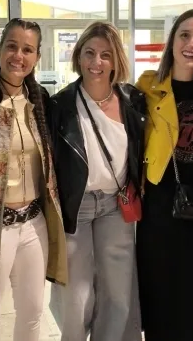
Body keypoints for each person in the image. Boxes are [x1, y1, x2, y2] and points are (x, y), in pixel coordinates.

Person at [0, 18, 67, 341]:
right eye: (12, 46)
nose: (18, 56)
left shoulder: (40, 100)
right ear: (0, 49)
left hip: (33, 223)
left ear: (37, 57)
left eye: (27, 50)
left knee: (33, 312)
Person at [49, 21, 144, 341]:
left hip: (116, 206)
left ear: (116, 60)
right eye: (89, 53)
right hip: (76, 207)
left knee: (118, 294)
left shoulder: (132, 100)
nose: (96, 62)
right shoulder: (61, 104)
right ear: (78, 57)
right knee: (76, 298)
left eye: (105, 54)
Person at [135, 9, 193, 341]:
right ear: (172, 40)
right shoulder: (147, 87)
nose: (192, 43)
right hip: (159, 207)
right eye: (185, 35)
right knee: (158, 293)